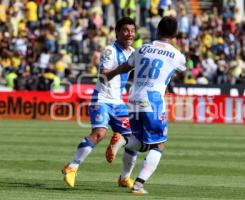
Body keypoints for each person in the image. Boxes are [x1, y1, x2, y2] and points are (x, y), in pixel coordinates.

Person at [104, 16, 186, 194]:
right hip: (153, 102)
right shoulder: (177, 55)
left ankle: (123, 146)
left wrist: (110, 74)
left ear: (157, 30)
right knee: (158, 145)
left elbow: (126, 67)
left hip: (133, 99)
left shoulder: (142, 49)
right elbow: (181, 71)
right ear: (175, 34)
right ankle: (138, 185)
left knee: (140, 142)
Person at [62, 17, 137, 189]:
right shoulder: (110, 51)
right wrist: (122, 68)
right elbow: (103, 76)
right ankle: (71, 167)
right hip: (102, 98)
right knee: (99, 133)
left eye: (132, 30)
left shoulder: (133, 52)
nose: (130, 34)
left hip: (118, 103)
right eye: (125, 30)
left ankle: (124, 178)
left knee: (134, 140)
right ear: (117, 32)